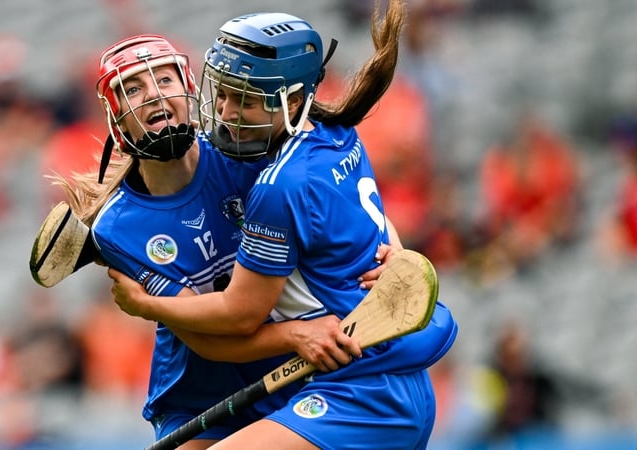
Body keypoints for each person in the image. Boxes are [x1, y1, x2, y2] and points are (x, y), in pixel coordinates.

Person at [42, 34, 417, 449]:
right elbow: (207, 337)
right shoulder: (118, 228)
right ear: (117, 117)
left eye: (164, 81)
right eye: (133, 89)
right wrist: (295, 334)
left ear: (189, 90)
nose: (152, 96)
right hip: (201, 394)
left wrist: (392, 247)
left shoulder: (243, 151)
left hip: (291, 377)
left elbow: (337, 196)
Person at [108, 3, 457, 449]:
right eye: (225, 93)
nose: (229, 111)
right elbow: (366, 224)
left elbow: (240, 314)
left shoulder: (278, 184)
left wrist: (144, 304)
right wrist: (395, 250)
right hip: (369, 379)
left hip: (360, 387)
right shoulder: (335, 133)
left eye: (247, 100)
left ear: (292, 100)